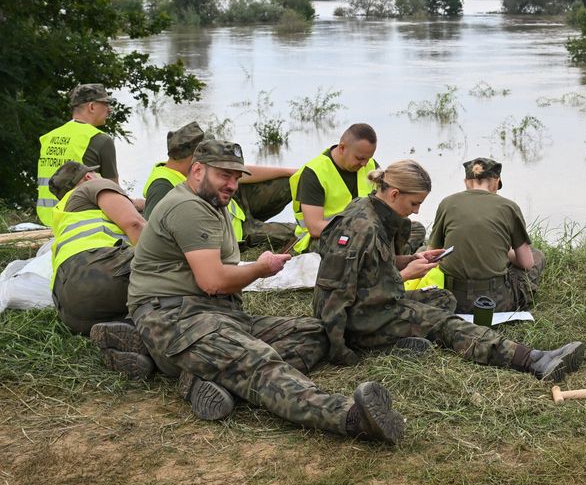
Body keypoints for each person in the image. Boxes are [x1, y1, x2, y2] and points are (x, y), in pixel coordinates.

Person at [127, 139, 405, 444]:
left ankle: (204, 376)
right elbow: (213, 282)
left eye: (236, 177)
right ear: (196, 171)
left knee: (319, 333)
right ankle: (351, 418)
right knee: (259, 362)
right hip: (174, 318)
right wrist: (261, 268)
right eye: (224, 175)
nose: (232, 184)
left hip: (215, 313)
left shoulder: (211, 201)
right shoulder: (188, 208)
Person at [313, 159, 584, 381]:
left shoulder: (367, 208)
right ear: (394, 194)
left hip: (369, 308)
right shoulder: (365, 227)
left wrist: (411, 259)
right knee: (445, 323)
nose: (417, 212)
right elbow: (336, 289)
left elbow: (370, 267)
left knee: (443, 299)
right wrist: (341, 350)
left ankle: (392, 343)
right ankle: (533, 360)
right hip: (359, 318)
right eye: (414, 203)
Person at [46, 160, 158, 381]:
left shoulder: (63, 214)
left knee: (143, 316)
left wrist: (136, 203)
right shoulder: (93, 186)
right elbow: (135, 225)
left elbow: (129, 207)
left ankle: (128, 345)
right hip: (101, 272)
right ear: (88, 177)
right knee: (180, 279)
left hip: (71, 309)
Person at [144, 121, 295, 247]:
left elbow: (238, 172)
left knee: (292, 181)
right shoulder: (162, 187)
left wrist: (289, 172)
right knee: (297, 233)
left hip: (238, 208)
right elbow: (155, 234)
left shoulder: (190, 169)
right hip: (239, 233)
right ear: (193, 158)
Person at [425, 157, 544, 313]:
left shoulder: (447, 203)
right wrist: (506, 252)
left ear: (466, 181)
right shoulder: (509, 207)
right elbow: (526, 263)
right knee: (537, 255)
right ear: (495, 181)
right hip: (495, 303)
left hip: (451, 299)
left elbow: (431, 253)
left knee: (422, 251)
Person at [289, 123, 423, 253]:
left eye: (369, 158)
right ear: (342, 148)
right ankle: (388, 258)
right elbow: (315, 227)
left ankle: (392, 257)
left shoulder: (369, 164)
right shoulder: (314, 173)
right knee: (356, 246)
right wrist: (361, 232)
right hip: (324, 237)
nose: (364, 164)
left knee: (414, 228)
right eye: (359, 158)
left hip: (366, 231)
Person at [36, 84, 126, 224]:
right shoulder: (100, 139)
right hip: (79, 220)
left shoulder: (49, 137)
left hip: (48, 219)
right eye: (106, 104)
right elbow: (115, 191)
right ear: (91, 107)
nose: (109, 109)